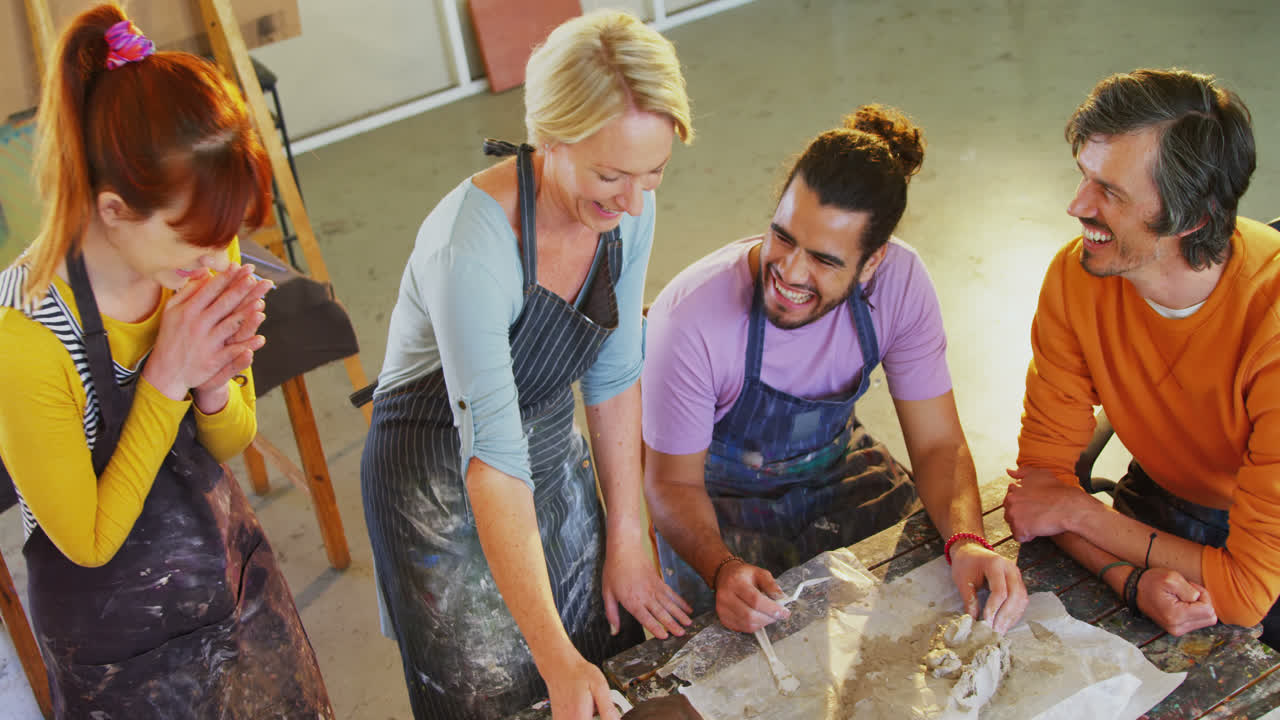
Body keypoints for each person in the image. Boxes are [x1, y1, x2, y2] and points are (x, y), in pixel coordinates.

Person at [357, 10, 693, 720]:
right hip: (439, 474)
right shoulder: (469, 248)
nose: (633, 201)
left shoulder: (628, 207)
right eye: (610, 175)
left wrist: (628, 538)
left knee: (605, 642)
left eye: (653, 172)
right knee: (500, 694)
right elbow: (492, 460)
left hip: (540, 439)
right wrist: (554, 658)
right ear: (550, 140)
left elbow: (613, 372)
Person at [0, 4, 333, 718]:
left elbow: (232, 441)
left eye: (228, 239)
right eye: (200, 248)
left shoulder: (200, 243)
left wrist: (215, 386)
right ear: (114, 210)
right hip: (114, 641)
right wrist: (166, 378)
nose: (222, 263)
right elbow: (88, 542)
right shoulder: (24, 337)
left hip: (229, 576)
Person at [642, 105, 1027, 637]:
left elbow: (939, 443)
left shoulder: (901, 284)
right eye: (782, 237)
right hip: (715, 504)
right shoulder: (692, 316)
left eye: (823, 260)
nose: (790, 272)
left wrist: (968, 542)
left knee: (930, 615)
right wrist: (722, 568)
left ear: (872, 264)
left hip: (838, 468)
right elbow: (670, 483)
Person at [1003, 68, 1280, 648]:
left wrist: (1081, 516)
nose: (1077, 204)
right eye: (1085, 177)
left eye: (1111, 191)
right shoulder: (1075, 276)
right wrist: (1131, 581)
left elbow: (1247, 589)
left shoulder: (1270, 325)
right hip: (1166, 494)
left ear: (1192, 218)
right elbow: (1036, 494)